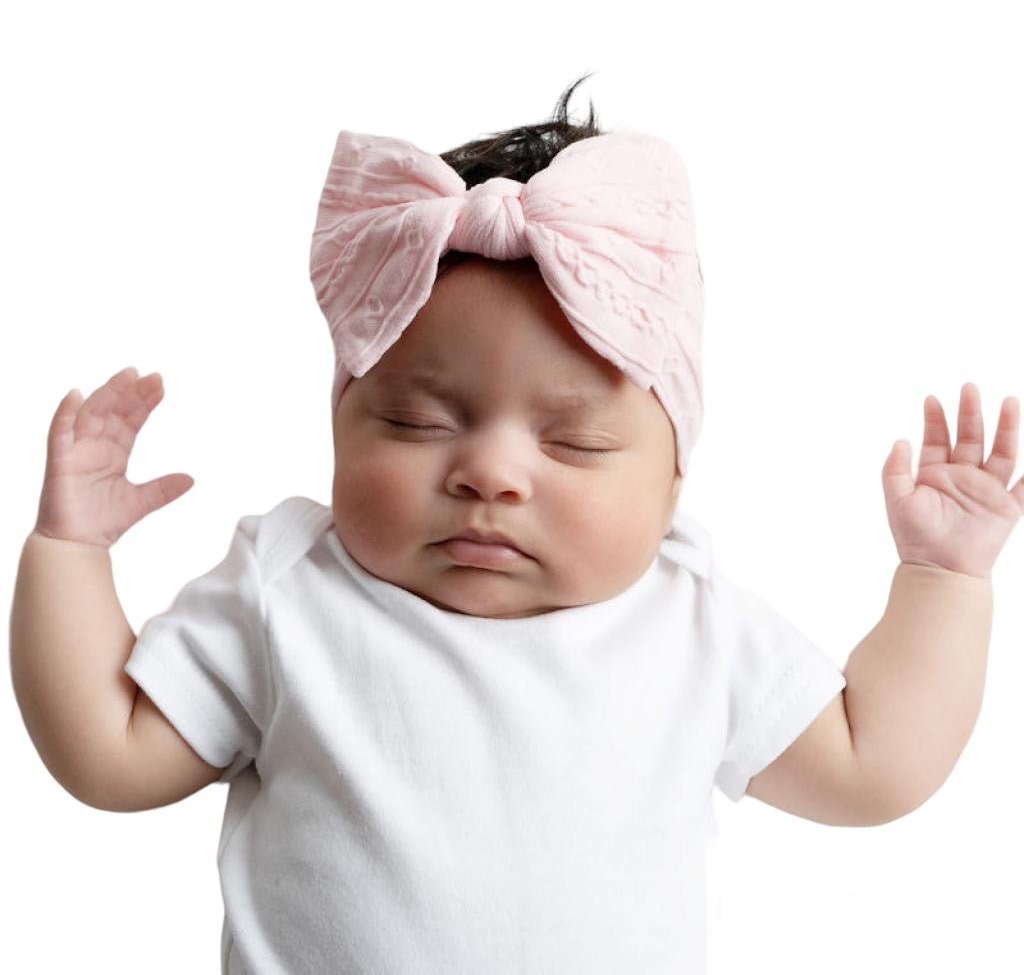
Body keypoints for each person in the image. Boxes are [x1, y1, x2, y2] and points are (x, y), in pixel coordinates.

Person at [10, 74, 1022, 974]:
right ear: (339, 425)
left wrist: (943, 580)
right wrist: (69, 552)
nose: (488, 474)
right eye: (417, 422)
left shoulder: (693, 625)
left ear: (674, 478)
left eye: (573, 442)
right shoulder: (288, 594)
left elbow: (872, 768)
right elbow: (108, 755)